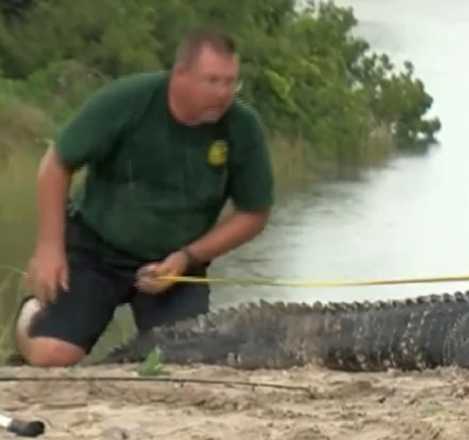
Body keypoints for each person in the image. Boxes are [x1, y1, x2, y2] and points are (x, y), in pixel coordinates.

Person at [14, 27, 274, 367]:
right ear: (180, 75)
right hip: (96, 250)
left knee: (189, 360)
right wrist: (49, 248)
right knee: (54, 356)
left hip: (175, 265)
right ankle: (30, 317)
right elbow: (56, 164)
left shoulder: (243, 126)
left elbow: (254, 213)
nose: (224, 93)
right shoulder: (128, 100)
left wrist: (187, 256)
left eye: (231, 82)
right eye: (212, 81)